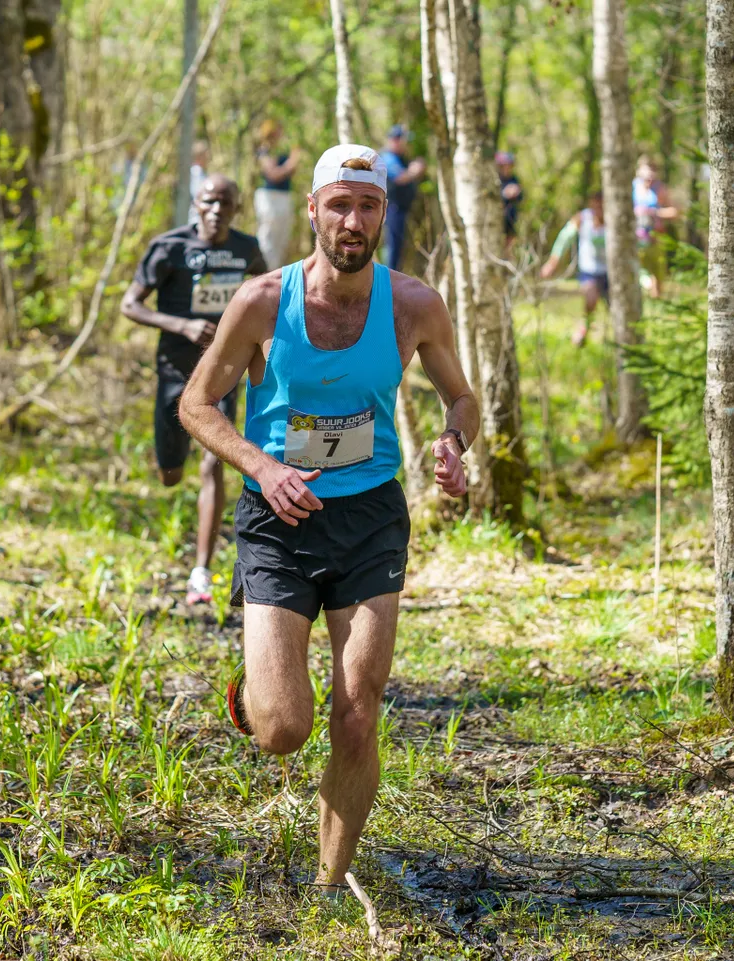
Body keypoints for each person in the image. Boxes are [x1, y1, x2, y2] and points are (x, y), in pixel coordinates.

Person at [179, 144, 477, 894]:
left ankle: (326, 884)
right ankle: (254, 686)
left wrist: (452, 442)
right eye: (338, 204)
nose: (352, 220)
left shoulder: (414, 304)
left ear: (384, 212)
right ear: (311, 210)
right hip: (280, 517)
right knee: (283, 728)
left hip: (371, 516)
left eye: (367, 205)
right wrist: (264, 466)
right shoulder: (260, 301)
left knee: (357, 712)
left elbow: (461, 397)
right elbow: (196, 403)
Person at [121, 175, 268, 605]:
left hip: (220, 373)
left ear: (236, 208)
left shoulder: (246, 248)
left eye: (226, 202)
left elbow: (268, 292)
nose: (217, 209)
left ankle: (200, 571)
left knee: (212, 464)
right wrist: (180, 324)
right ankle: (171, 468)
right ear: (196, 204)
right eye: (209, 201)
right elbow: (130, 304)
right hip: (174, 369)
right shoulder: (169, 247)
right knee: (171, 474)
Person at [540, 190, 608, 347]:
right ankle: (583, 329)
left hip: (610, 271)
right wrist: (552, 263)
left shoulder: (615, 219)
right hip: (589, 270)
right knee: (590, 298)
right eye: (596, 205)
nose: (599, 209)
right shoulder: (583, 219)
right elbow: (564, 238)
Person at [254, 120, 301, 270]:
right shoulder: (264, 151)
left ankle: (275, 272)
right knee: (268, 238)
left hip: (284, 196)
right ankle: (263, 271)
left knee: (282, 239)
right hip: (269, 198)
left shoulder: (281, 151)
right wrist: (292, 161)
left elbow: (290, 173)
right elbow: (273, 174)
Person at [378, 125, 426, 271]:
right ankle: (389, 279)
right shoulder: (388, 157)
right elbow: (399, 177)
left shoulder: (400, 158)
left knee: (399, 247)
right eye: (403, 140)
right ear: (395, 140)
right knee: (393, 247)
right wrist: (414, 171)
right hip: (393, 208)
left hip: (402, 209)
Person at [632, 155, 678, 298]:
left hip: (657, 238)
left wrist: (655, 213)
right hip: (636, 239)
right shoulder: (631, 188)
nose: (649, 178)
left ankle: (656, 307)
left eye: (652, 174)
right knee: (637, 270)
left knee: (657, 276)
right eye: (646, 175)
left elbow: (674, 212)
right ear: (639, 172)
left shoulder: (660, 189)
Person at [496, 150, 523, 254]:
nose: (507, 168)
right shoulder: (496, 180)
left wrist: (517, 192)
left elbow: (520, 198)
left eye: (509, 165)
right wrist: (505, 194)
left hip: (510, 221)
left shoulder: (514, 179)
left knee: (508, 250)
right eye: (504, 165)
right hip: (497, 221)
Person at [186, 140, 211, 225]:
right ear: (199, 157)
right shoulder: (196, 172)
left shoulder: (199, 173)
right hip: (195, 219)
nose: (208, 158)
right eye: (206, 155)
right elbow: (197, 194)